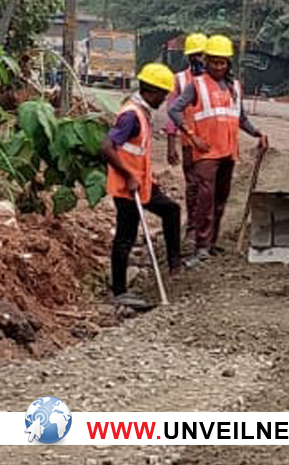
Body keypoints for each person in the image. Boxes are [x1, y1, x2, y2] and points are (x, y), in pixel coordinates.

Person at [168, 35, 269, 265]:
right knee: (205, 199)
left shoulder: (235, 87)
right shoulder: (197, 84)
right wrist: (191, 135)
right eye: (214, 61)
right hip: (205, 154)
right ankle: (201, 246)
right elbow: (174, 111)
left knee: (221, 199)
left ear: (228, 64)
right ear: (207, 61)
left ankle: (211, 243)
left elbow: (240, 118)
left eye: (222, 62)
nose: (218, 66)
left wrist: (258, 133)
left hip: (228, 152)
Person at [100, 63, 182, 309]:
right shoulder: (130, 115)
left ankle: (175, 265)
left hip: (142, 183)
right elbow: (105, 147)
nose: (164, 99)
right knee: (125, 236)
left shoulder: (142, 112)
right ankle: (119, 290)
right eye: (163, 94)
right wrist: (127, 174)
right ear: (153, 91)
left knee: (171, 210)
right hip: (128, 187)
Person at [165, 32, 209, 243]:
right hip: (189, 141)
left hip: (212, 142)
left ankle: (206, 227)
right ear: (190, 57)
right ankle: (192, 226)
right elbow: (172, 112)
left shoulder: (217, 81)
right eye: (196, 55)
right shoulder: (180, 80)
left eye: (203, 55)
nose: (200, 59)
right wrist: (170, 143)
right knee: (193, 185)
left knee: (209, 186)